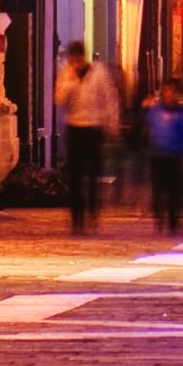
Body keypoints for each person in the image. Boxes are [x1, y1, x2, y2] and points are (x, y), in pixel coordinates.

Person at [60, 42, 125, 235]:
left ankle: (93, 211)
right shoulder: (66, 73)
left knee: (93, 175)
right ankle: (76, 218)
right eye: (73, 59)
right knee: (75, 177)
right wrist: (71, 79)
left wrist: (112, 124)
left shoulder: (98, 72)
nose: (75, 62)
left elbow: (110, 98)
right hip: (74, 128)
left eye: (77, 58)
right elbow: (60, 99)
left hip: (94, 128)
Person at [143, 77, 183, 237]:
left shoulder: (182, 114)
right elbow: (146, 127)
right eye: (166, 91)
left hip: (175, 156)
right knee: (158, 189)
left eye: (172, 91)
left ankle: (173, 221)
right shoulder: (155, 111)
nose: (169, 94)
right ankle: (159, 216)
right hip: (158, 155)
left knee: (174, 190)